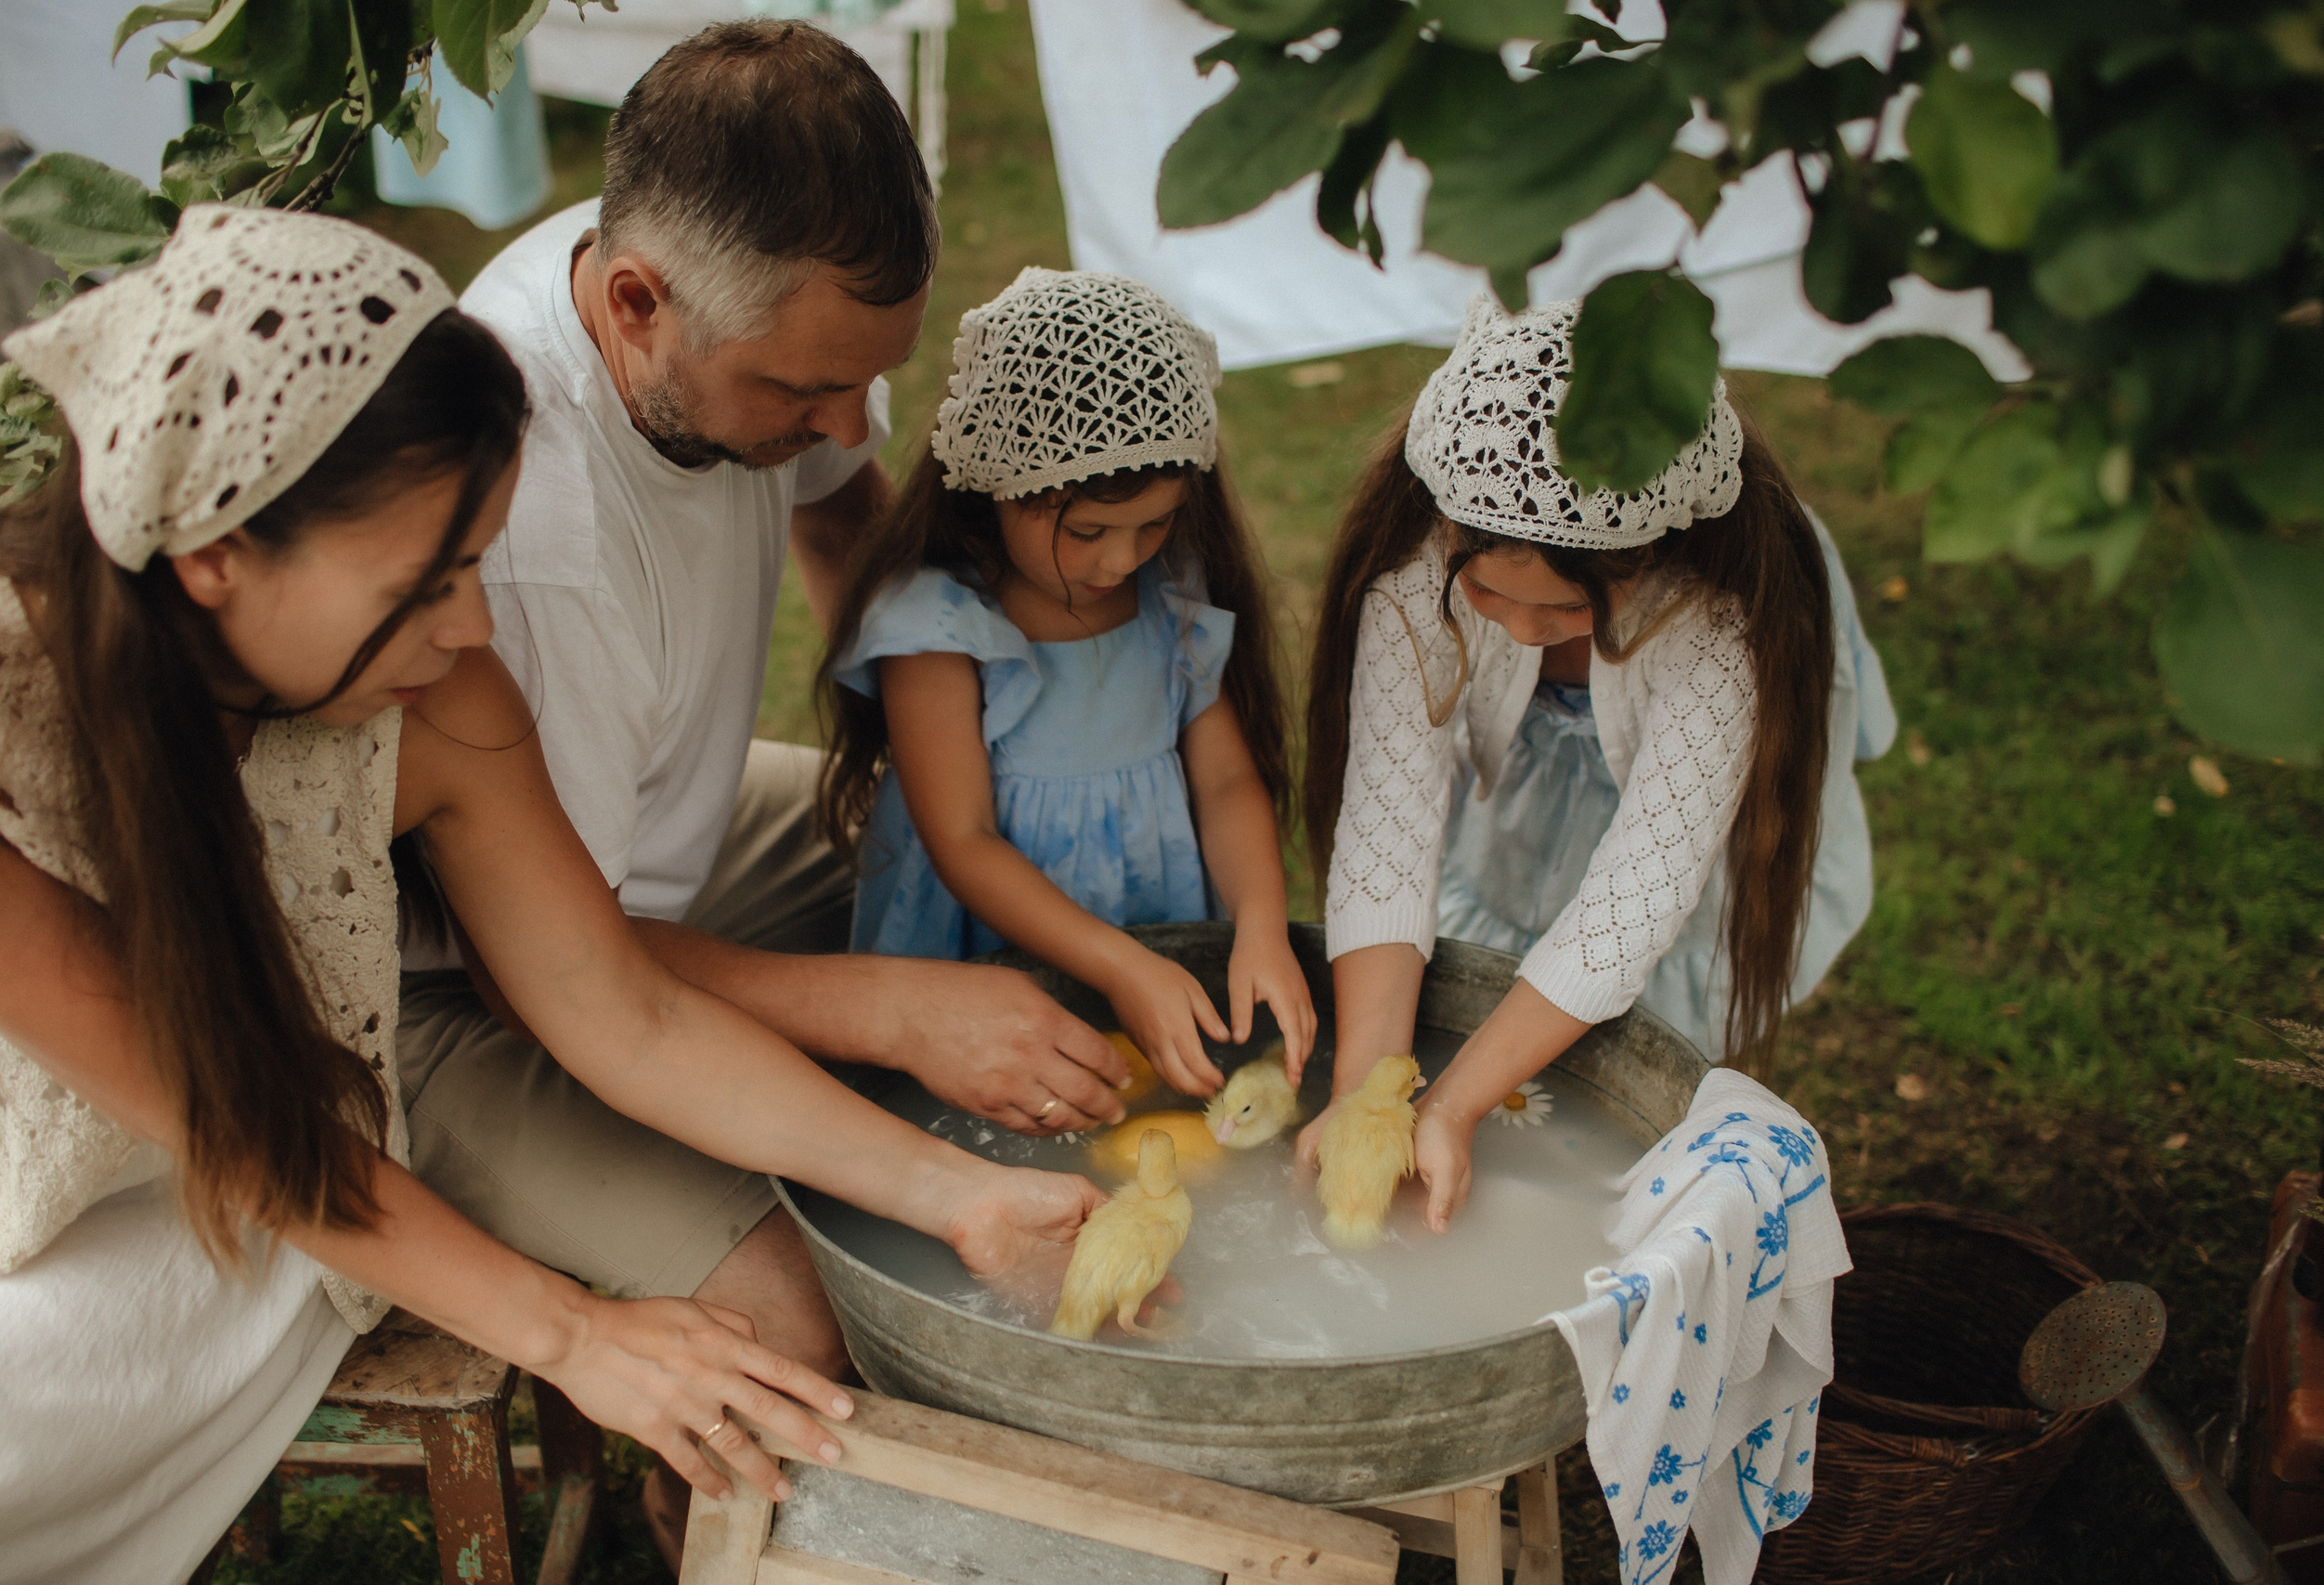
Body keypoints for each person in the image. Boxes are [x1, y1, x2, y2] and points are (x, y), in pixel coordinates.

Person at [0, 206, 1100, 1585]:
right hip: (63, 1192)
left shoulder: (441, 698)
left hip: (274, 1168)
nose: (476, 621)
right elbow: (238, 1120)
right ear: (216, 556)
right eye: (426, 578)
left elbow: (622, 1013)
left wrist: (961, 1194)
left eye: (479, 561)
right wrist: (571, 1332)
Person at [400, 19, 1133, 1479]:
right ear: (633, 304)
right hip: (452, 987)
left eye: (870, 375)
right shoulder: (537, 542)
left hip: (663, 834)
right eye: (800, 394)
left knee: (1028, 856)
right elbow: (562, 967)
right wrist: (895, 1008)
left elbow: (838, 511)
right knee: (803, 1326)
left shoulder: (726, 296)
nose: (847, 420)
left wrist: (952, 784)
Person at [1299, 296, 1894, 1229]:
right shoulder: (1417, 577)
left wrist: (1449, 1106)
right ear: (1447, 532)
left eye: (1567, 615)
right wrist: (1367, 1098)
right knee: (1501, 994)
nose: (1524, 632)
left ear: (1654, 563)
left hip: (1676, 864)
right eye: (1489, 592)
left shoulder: (1716, 622)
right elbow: (1386, 839)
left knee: (1628, 1064)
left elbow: (1636, 900)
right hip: (1531, 808)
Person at [818, 268, 1315, 1098]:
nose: (1121, 561)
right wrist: (1119, 965)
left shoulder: (1172, 596)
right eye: (1086, 531)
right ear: (995, 489)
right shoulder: (939, 626)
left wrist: (1261, 926)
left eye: (1153, 523)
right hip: (987, 945)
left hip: (1152, 921)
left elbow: (1226, 780)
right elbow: (964, 839)